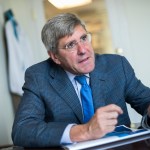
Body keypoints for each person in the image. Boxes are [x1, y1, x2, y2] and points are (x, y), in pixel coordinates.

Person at [12, 13, 150, 147]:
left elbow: (145, 99)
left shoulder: (116, 65)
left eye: (84, 38)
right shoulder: (38, 76)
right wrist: (85, 131)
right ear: (55, 56)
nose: (83, 50)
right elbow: (22, 130)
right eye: (70, 45)